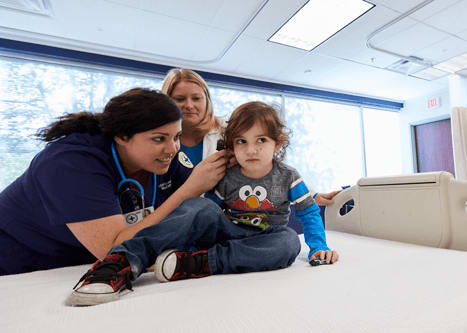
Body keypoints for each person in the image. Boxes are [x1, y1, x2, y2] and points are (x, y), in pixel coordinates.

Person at [66, 101, 338, 307]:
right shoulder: (227, 176)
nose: (251, 150)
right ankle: (123, 261)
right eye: (241, 142)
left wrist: (319, 247)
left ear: (278, 144)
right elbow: (203, 215)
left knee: (289, 242)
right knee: (197, 206)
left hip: (264, 238)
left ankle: (198, 264)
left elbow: (310, 213)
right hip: (227, 230)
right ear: (230, 145)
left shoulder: (289, 178)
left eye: (261, 141)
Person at [0, 88, 227, 276]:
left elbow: (193, 215)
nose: (173, 148)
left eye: (176, 136)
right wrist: (188, 190)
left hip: (77, 262)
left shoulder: (168, 157)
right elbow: (115, 249)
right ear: (121, 136)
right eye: (159, 139)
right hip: (17, 259)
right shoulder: (70, 163)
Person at [162, 68, 341, 206]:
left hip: (225, 211)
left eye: (196, 98)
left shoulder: (229, 130)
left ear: (207, 100)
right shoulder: (160, 141)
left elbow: (268, 164)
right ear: (167, 101)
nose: (189, 105)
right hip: (175, 212)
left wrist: (311, 195)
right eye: (179, 99)